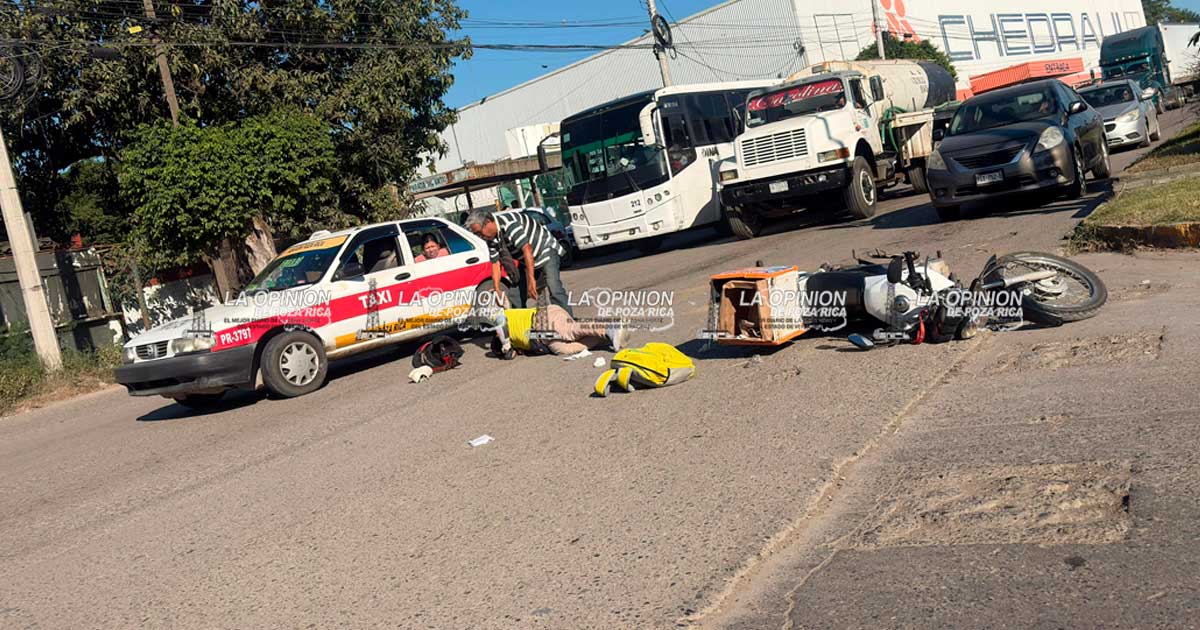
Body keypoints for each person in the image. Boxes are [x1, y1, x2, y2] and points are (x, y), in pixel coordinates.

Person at [465, 208, 573, 315]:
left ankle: (568, 322)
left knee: (554, 289)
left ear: (488, 222)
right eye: (477, 235)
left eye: (479, 232)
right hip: (526, 261)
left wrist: (531, 280)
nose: (481, 237)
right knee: (515, 296)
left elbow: (527, 249)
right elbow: (495, 263)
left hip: (546, 251)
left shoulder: (509, 225)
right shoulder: (490, 238)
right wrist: (497, 289)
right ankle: (521, 327)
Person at [490, 303, 628, 358]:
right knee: (562, 349)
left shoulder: (503, 320)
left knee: (569, 331)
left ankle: (608, 328)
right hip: (543, 336)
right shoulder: (520, 343)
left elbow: (500, 324)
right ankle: (602, 337)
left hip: (541, 319)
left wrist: (506, 345)